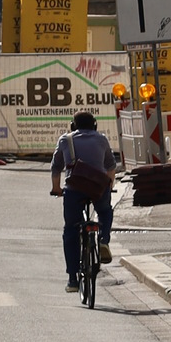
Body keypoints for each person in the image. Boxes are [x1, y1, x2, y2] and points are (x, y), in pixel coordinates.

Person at [50, 111, 118, 291]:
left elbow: (56, 167)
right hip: (98, 188)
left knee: (71, 229)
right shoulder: (102, 139)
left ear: (73, 126)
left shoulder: (66, 140)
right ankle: (103, 239)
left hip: (74, 188)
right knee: (104, 211)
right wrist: (109, 188)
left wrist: (56, 188)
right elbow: (111, 166)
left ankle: (72, 279)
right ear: (94, 125)